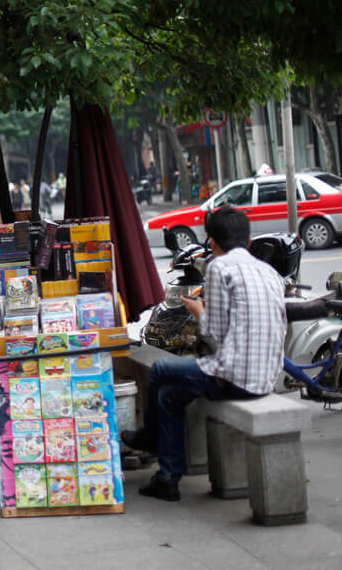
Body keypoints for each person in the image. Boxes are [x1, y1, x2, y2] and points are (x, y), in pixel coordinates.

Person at [122, 206, 286, 502]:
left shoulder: (220, 268)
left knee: (160, 371)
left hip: (234, 377)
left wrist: (199, 312)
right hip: (265, 378)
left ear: (212, 243)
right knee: (168, 397)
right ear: (248, 241)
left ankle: (150, 440)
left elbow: (216, 334)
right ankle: (166, 479)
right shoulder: (268, 270)